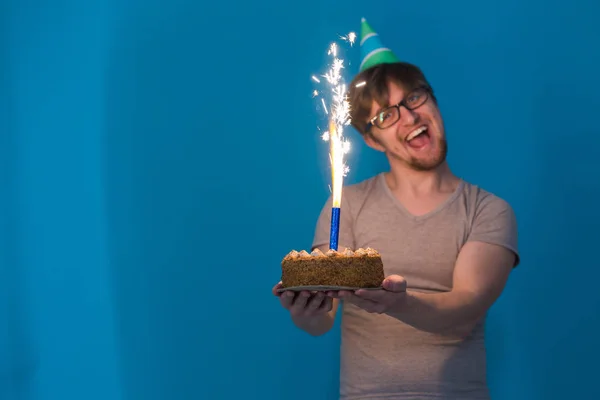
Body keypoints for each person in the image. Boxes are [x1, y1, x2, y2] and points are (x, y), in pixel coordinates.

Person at [272, 18, 519, 400]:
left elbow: (465, 307)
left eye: (415, 98)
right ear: (371, 140)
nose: (410, 117)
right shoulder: (348, 205)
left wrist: (399, 303)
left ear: (433, 100)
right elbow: (322, 320)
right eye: (386, 115)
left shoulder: (489, 210)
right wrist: (305, 310)